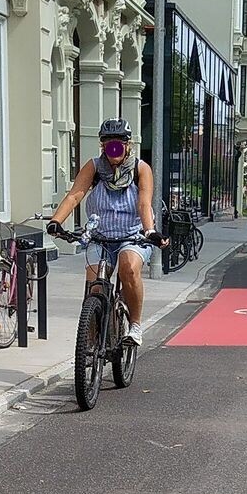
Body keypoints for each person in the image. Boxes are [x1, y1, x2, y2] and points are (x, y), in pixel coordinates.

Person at [48, 120, 158, 350]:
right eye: (109, 145)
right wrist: (56, 221)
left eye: (118, 144)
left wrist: (150, 231)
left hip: (132, 235)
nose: (113, 149)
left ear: (127, 145)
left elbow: (144, 204)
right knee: (95, 287)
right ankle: (89, 341)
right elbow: (74, 195)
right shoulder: (95, 167)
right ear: (103, 146)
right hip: (101, 236)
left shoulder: (140, 169)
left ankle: (135, 325)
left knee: (129, 268)